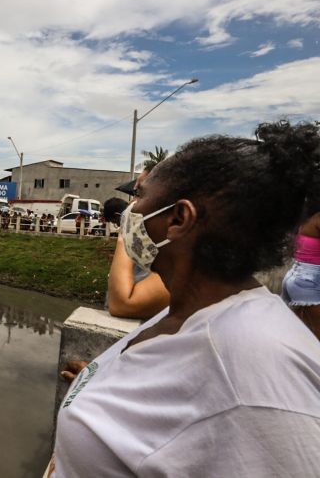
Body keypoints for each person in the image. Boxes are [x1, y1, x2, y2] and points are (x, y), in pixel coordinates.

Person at [47, 121, 320, 477]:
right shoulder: (186, 312)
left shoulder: (253, 370)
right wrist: (102, 385)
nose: (131, 210)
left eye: (141, 197)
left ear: (178, 218)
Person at [105, 176, 171, 319]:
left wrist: (126, 233)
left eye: (139, 195)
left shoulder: (184, 266)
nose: (132, 204)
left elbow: (123, 304)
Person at [283, 211, 320, 339]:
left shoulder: (307, 218)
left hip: (299, 278)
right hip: (309, 282)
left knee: (302, 333)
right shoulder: (318, 220)